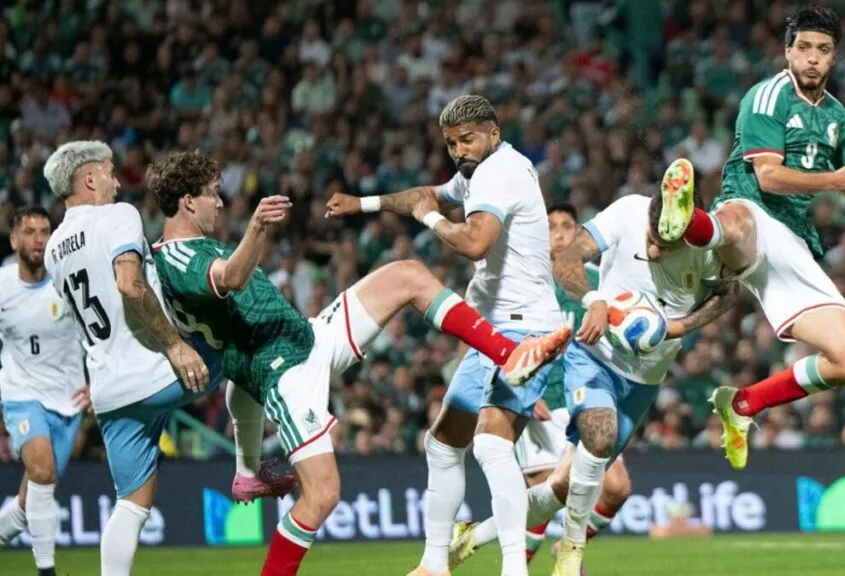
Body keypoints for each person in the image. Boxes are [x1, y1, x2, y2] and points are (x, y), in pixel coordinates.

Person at [147, 149, 568, 576]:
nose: (219, 203)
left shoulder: (185, 250)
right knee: (323, 494)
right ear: (186, 201)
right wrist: (256, 227)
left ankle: (508, 354)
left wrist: (246, 464)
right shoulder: (178, 258)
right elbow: (231, 280)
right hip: (284, 370)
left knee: (407, 274)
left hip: (307, 337)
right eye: (211, 195)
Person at [654, 5, 845, 469]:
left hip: (795, 241)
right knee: (741, 224)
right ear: (787, 52)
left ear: (834, 59)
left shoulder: (837, 117)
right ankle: (687, 222)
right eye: (803, 48)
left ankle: (743, 404)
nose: (812, 58)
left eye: (823, 50)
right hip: (750, 206)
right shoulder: (767, 97)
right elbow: (768, 177)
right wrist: (834, 182)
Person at [327, 94, 567, 576]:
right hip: (493, 330)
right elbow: (431, 193)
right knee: (443, 442)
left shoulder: (498, 173)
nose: (459, 149)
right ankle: (434, 564)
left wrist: (428, 219)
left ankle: (514, 569)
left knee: (492, 445)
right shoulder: (485, 168)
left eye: (468, 139)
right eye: (452, 143)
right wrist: (366, 202)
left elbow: (473, 240)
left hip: (524, 329)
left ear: (493, 134)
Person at [41, 141, 290, 576]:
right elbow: (130, 285)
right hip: (158, 369)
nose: (118, 182)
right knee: (247, 341)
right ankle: (247, 469)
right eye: (110, 171)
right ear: (89, 178)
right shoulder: (118, 216)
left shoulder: (52, 247)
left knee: (132, 504)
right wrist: (176, 346)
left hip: (110, 392)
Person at [447, 203, 633, 572]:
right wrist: (518, 395)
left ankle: (485, 536)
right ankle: (546, 563)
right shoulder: (521, 281)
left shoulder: (595, 281)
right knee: (548, 495)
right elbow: (485, 338)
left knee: (616, 488)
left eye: (568, 225)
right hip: (539, 400)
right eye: (552, 227)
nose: (561, 233)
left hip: (586, 396)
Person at [0, 206, 89, 576]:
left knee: (30, 498)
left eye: (45, 231)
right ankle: (47, 571)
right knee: (41, 469)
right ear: (14, 239)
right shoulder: (2, 286)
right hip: (21, 394)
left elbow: (100, 330)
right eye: (31, 231)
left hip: (68, 400)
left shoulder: (68, 280)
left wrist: (96, 381)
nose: (39, 239)